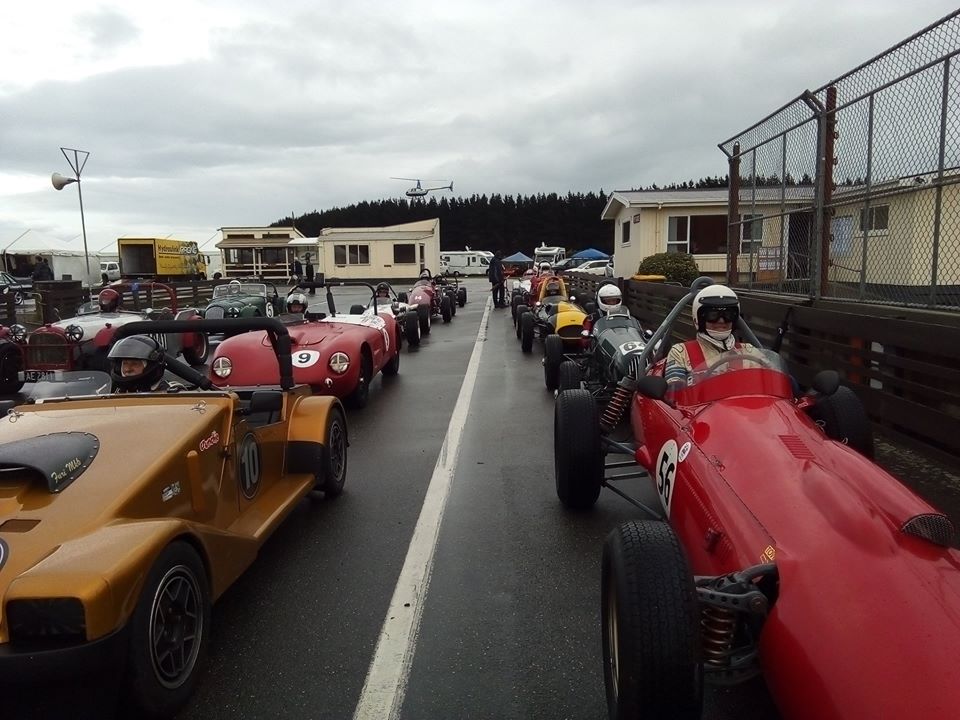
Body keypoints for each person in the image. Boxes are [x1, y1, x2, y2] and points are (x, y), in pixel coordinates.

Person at [664, 284, 758, 387]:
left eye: (728, 315)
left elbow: (765, 382)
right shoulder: (681, 352)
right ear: (700, 318)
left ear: (735, 318)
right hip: (699, 398)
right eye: (713, 315)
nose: (721, 321)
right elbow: (675, 392)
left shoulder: (749, 351)